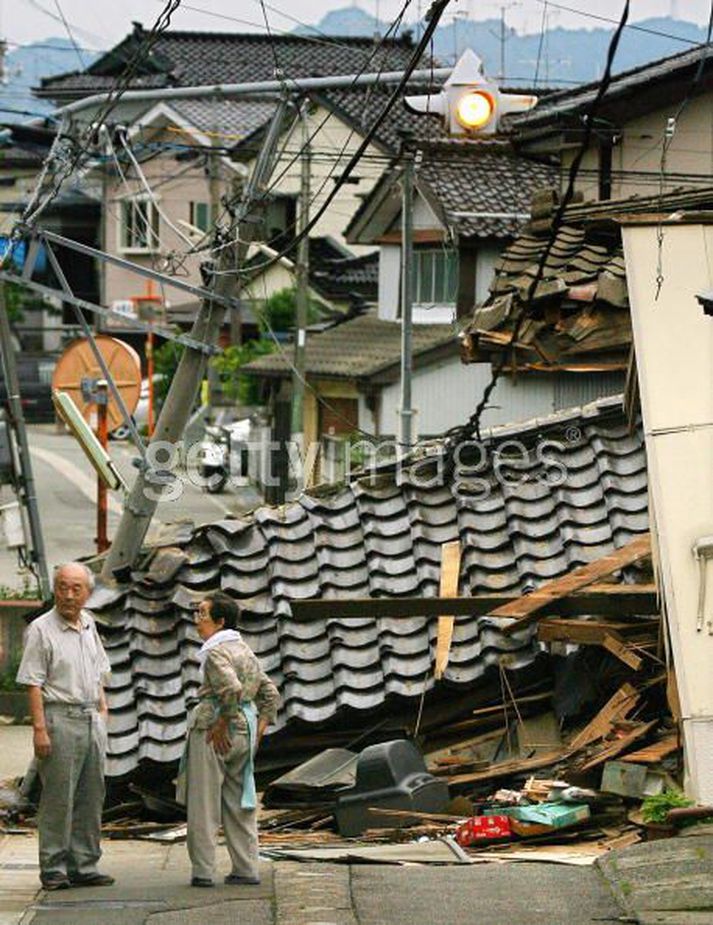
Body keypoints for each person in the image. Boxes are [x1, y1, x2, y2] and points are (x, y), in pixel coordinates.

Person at [16, 562, 114, 891]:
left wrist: (103, 710)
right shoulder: (42, 629)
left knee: (91, 794)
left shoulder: (88, 624)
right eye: (62, 587)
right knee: (58, 797)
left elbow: (100, 671)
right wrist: (39, 730)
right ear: (55, 589)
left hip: (90, 718)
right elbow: (32, 683)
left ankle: (84, 864)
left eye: (76, 589)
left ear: (88, 593)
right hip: (60, 717)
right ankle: (54, 868)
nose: (68, 595)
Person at [179, 590, 280, 888]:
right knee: (241, 801)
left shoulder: (215, 652)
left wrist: (223, 721)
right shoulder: (245, 650)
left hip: (213, 730)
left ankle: (203, 870)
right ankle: (246, 867)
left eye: (203, 615)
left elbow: (232, 689)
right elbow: (270, 694)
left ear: (220, 622)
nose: (198, 621)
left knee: (204, 803)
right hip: (245, 731)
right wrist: (259, 727)